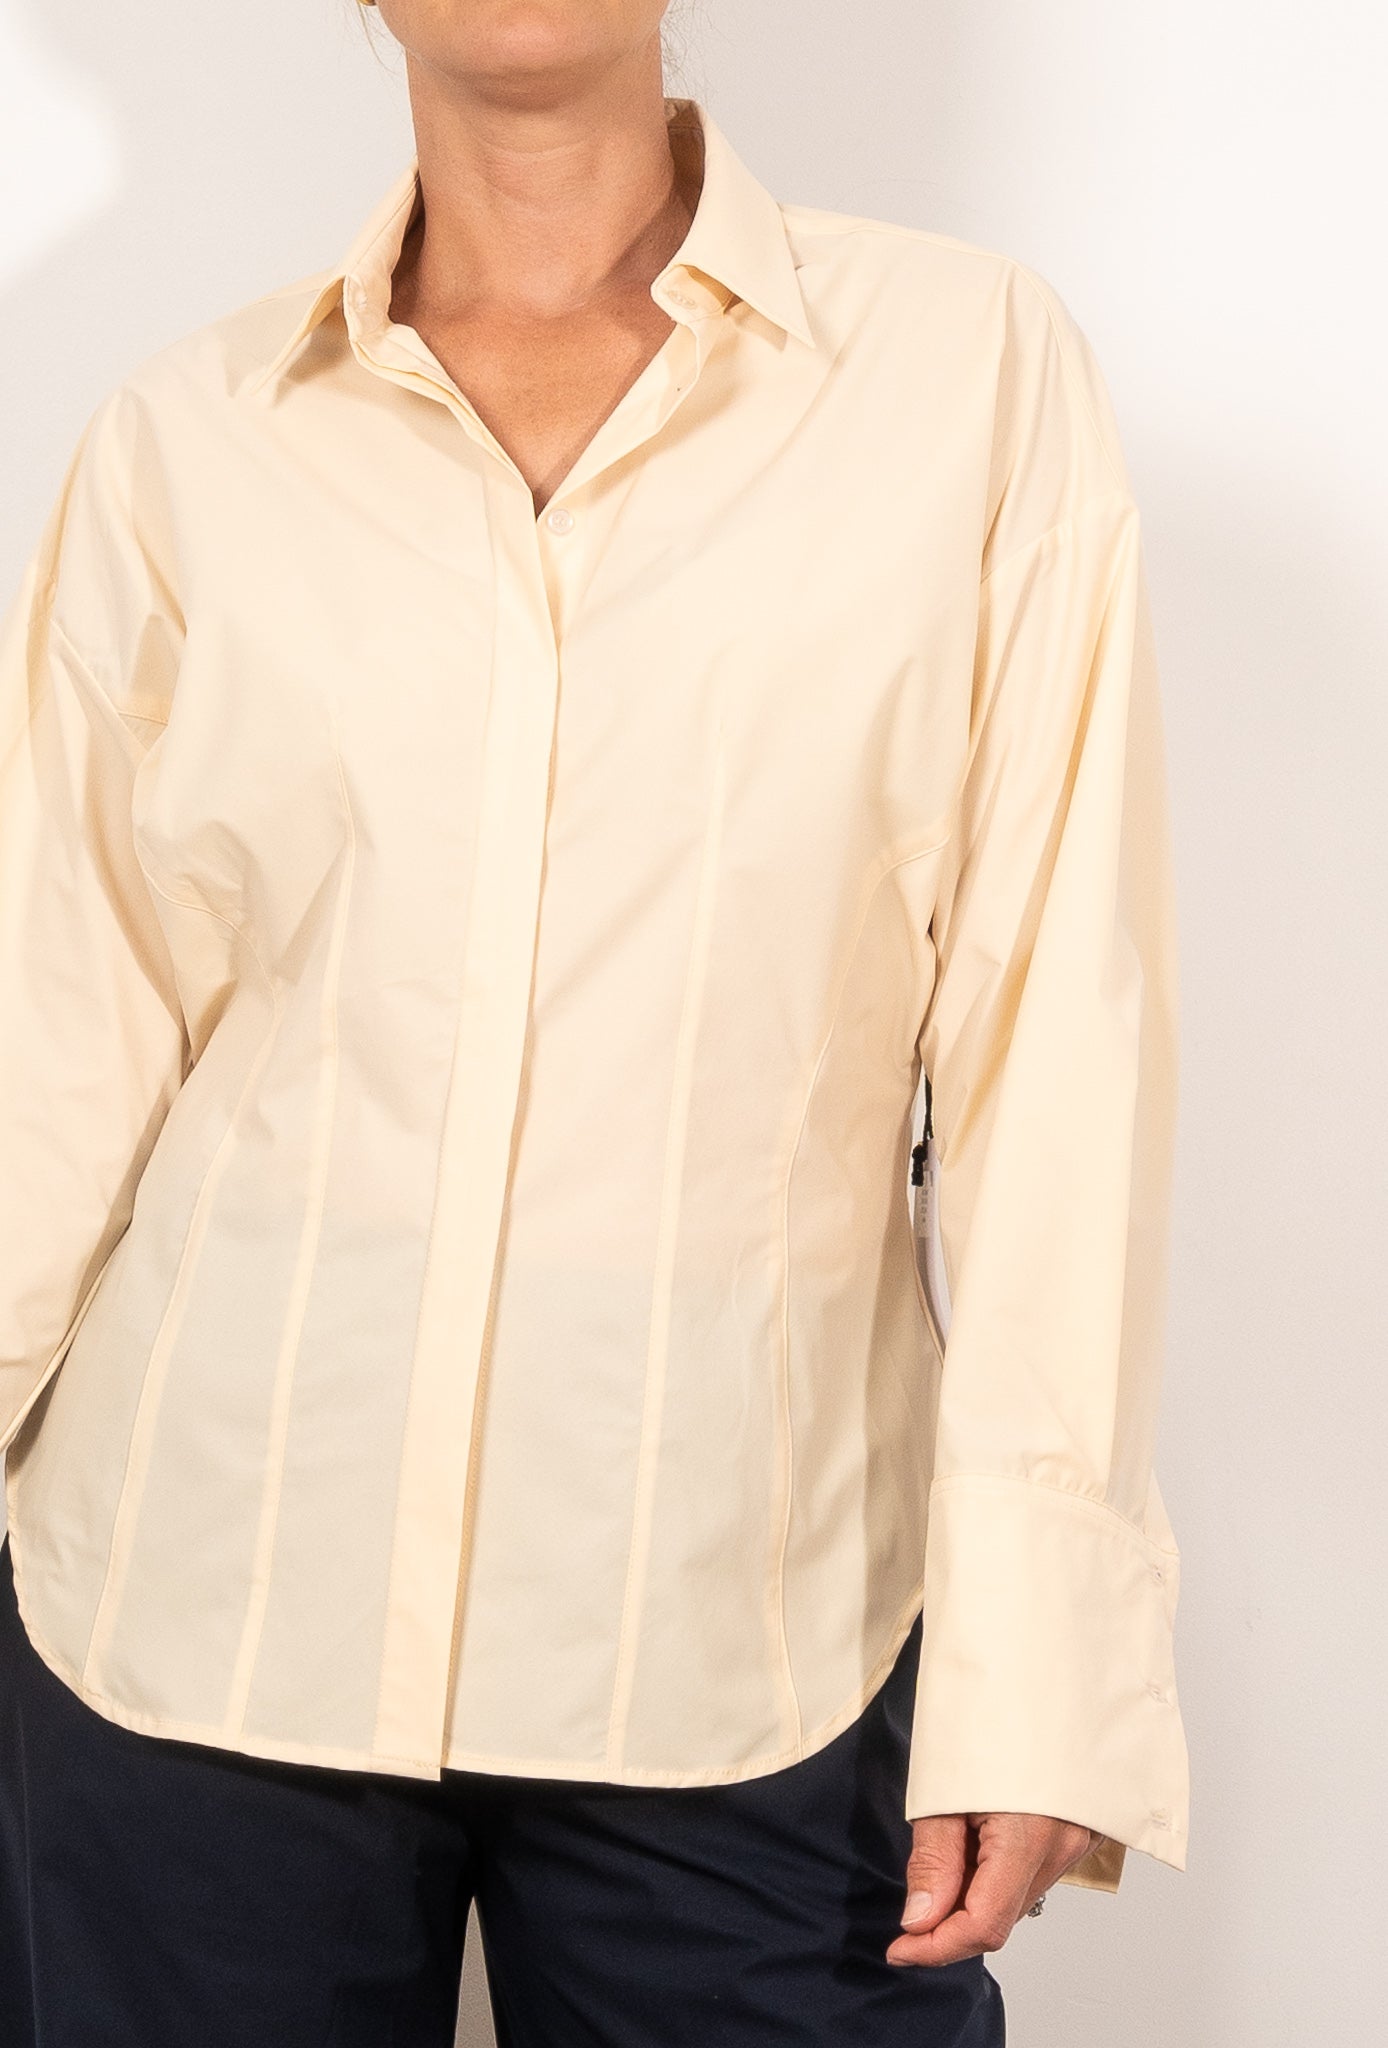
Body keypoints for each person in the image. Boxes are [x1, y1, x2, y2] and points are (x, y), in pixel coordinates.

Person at [0, 3, 1190, 2042]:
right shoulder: (187, 441)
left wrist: (1043, 1645)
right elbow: (57, 1040)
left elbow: (1054, 1043)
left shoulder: (969, 375)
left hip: (752, 1642)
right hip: (194, 1619)